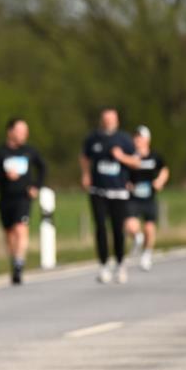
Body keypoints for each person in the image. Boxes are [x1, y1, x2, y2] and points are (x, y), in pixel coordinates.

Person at [80, 107, 142, 284]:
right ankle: (103, 265)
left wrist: (121, 157)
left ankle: (120, 264)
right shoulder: (93, 138)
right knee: (100, 227)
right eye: (105, 119)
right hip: (98, 190)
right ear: (102, 120)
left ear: (117, 121)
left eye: (111, 119)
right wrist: (85, 174)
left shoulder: (124, 139)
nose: (108, 122)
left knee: (117, 229)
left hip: (119, 191)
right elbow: (84, 157)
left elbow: (136, 162)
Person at [0, 118, 46, 285]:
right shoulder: (0, 152)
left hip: (23, 197)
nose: (23, 134)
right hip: (5, 198)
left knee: (21, 229)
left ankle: (20, 263)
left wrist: (36, 186)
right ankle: (14, 262)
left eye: (25, 131)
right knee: (10, 233)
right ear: (10, 132)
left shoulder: (30, 151)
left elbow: (42, 168)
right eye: (20, 131)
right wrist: (5, 176)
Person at [124, 126, 170, 271]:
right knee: (130, 225)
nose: (137, 140)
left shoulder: (154, 156)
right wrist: (126, 183)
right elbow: (122, 172)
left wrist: (160, 181)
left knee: (150, 228)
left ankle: (147, 254)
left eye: (140, 137)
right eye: (135, 137)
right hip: (133, 197)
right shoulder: (130, 156)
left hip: (149, 197)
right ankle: (138, 238)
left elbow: (164, 169)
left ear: (147, 139)